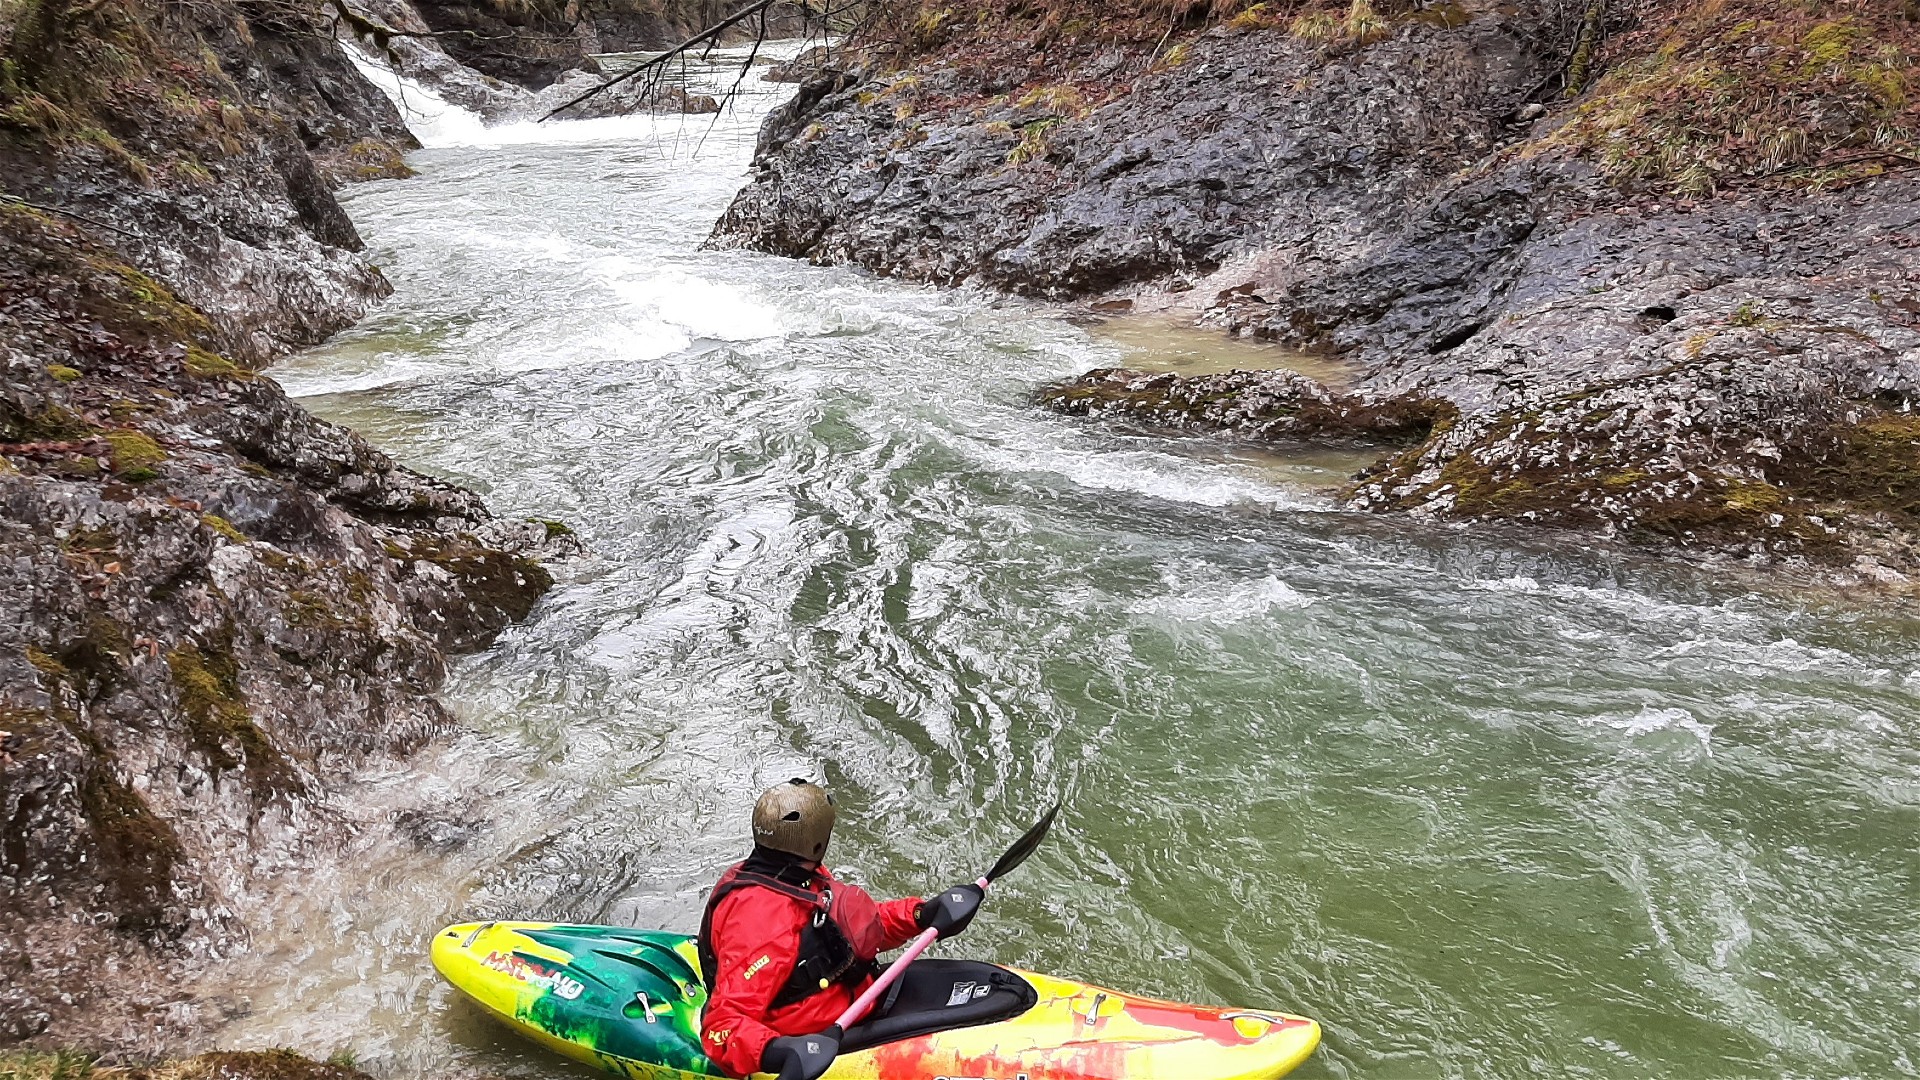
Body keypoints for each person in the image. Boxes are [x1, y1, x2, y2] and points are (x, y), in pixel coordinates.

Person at [698, 778, 985, 1079]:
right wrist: (779, 1052)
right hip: (817, 1039)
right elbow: (722, 1025)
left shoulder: (799, 876)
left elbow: (847, 930)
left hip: (856, 1002)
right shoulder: (761, 924)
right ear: (817, 842)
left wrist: (920, 914)